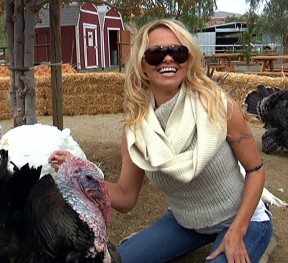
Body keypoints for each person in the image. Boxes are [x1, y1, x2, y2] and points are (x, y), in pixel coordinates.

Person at [49, 19, 273, 263]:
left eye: (178, 52)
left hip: (243, 218)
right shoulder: (135, 131)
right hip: (187, 222)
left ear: (188, 60)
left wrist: (237, 231)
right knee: (120, 260)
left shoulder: (219, 106)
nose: (168, 59)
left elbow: (255, 170)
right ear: (143, 65)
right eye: (156, 54)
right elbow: (125, 197)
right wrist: (82, 174)